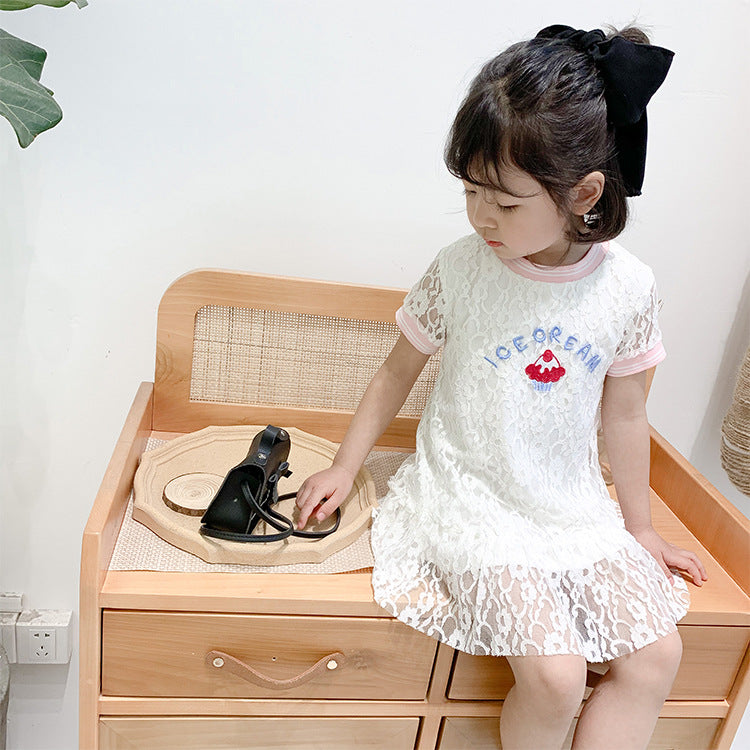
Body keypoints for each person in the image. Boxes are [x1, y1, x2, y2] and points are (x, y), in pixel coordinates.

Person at [295, 23, 708, 750]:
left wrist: (640, 528)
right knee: (555, 676)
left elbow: (625, 416)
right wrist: (343, 465)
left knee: (657, 656)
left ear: (583, 193)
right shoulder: (462, 269)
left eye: (507, 203)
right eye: (470, 191)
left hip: (570, 505)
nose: (482, 217)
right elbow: (396, 372)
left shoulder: (628, 287)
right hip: (471, 497)